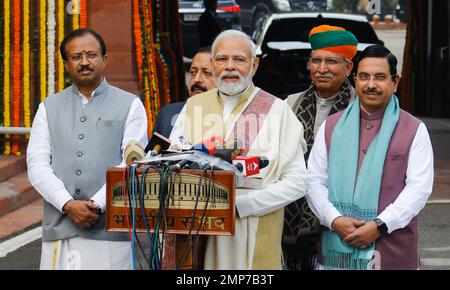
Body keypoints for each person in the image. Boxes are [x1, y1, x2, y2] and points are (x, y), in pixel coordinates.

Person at [169, 30, 307, 269]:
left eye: (239, 59)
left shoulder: (277, 110)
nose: (230, 66)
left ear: (254, 65)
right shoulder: (194, 106)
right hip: (200, 234)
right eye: (222, 59)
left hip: (252, 229)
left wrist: (240, 206)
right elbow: (171, 163)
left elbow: (297, 183)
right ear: (212, 64)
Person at [27, 29, 148, 270]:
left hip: (109, 228)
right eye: (76, 57)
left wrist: (95, 205)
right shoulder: (48, 107)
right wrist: (67, 203)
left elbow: (132, 164)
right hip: (60, 224)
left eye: (91, 55)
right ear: (66, 64)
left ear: (105, 58)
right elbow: (37, 165)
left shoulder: (130, 105)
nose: (84, 62)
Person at [306, 45, 434, 270]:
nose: (371, 84)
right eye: (364, 77)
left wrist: (379, 226)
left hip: (393, 255)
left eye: (380, 77)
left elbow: (419, 190)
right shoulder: (332, 127)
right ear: (355, 80)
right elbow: (313, 182)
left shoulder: (414, 129)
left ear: (395, 82)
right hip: (336, 254)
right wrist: (335, 220)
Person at [283, 25, 358, 270]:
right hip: (292, 217)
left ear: (349, 68)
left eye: (331, 62)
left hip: (342, 215)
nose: (322, 68)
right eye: (316, 60)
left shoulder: (360, 107)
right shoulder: (290, 104)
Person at [153, 46, 215, 138]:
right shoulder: (167, 114)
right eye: (193, 72)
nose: (196, 79)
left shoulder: (232, 117)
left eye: (207, 73)